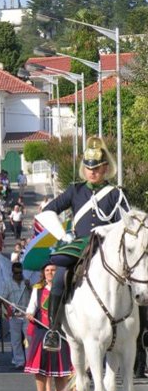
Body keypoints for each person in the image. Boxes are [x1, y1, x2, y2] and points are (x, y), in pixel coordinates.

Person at [35, 137, 128, 351]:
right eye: (89, 168)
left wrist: (109, 230)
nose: (92, 172)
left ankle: (142, 333)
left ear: (105, 168)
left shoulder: (116, 193)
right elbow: (48, 211)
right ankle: (53, 330)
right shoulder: (75, 191)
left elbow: (127, 221)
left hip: (109, 247)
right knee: (59, 278)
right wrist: (62, 235)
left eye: (97, 168)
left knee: (137, 281)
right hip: (80, 247)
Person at [24, 264, 74, 391]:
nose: (50, 273)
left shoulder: (65, 289)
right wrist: (30, 314)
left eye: (53, 270)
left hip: (60, 331)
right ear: (43, 273)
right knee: (40, 368)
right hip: (41, 331)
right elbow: (31, 307)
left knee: (60, 368)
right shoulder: (38, 289)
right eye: (47, 270)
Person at [0, 262, 31, 369]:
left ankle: (29, 361)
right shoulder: (7, 283)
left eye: (20, 272)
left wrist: (29, 287)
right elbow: (3, 298)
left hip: (26, 314)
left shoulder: (27, 282)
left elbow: (34, 297)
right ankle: (19, 362)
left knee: (28, 339)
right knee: (15, 340)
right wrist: (8, 309)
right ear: (12, 272)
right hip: (14, 316)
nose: (19, 275)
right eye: (16, 273)